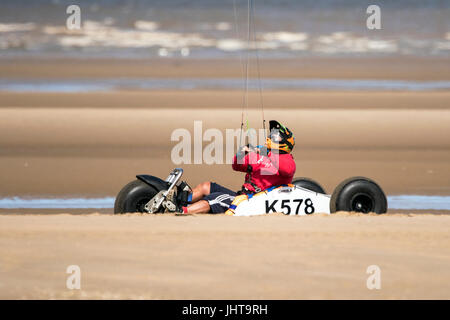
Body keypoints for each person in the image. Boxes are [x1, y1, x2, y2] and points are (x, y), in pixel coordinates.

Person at [176, 120, 296, 214]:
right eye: (271, 135)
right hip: (244, 195)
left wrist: (267, 153)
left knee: (216, 198)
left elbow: (287, 170)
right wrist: (242, 152)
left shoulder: (286, 158)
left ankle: (183, 211)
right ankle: (179, 202)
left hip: (254, 201)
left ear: (284, 143)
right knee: (207, 187)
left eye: (275, 136)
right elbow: (237, 165)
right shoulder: (261, 155)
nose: (270, 137)